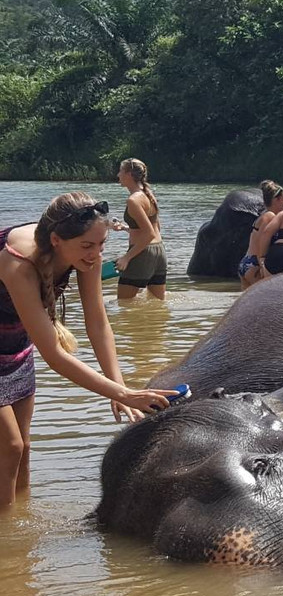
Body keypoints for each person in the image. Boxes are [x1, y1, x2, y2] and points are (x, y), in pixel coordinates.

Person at [0, 192, 178, 509]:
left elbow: (97, 323)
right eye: (87, 246)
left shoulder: (86, 253)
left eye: (101, 245)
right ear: (56, 240)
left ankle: (18, 542)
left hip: (14, 345)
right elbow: (54, 354)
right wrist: (125, 395)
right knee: (10, 446)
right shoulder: (16, 262)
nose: (96, 255)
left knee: (24, 448)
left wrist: (119, 387)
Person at [114, 158, 168, 300]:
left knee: (123, 305)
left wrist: (126, 258)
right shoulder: (149, 195)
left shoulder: (133, 200)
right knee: (158, 305)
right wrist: (127, 228)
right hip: (160, 253)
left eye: (120, 171)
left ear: (129, 174)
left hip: (142, 254)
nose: (118, 175)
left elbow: (149, 233)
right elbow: (156, 228)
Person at [238, 180, 283, 289]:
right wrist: (262, 265)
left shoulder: (263, 216)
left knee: (247, 303)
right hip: (255, 264)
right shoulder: (269, 216)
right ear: (276, 200)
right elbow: (262, 240)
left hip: (247, 263)